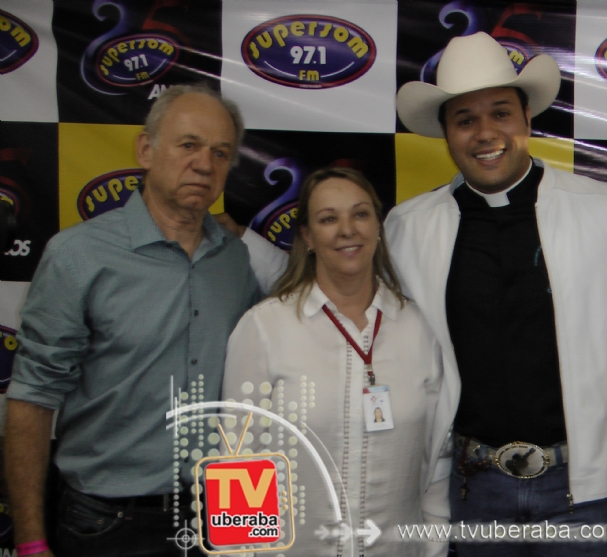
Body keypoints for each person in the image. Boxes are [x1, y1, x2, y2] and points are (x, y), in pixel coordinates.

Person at [385, 32, 607, 556]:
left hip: (583, 488)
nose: (485, 133)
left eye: (500, 113)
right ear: (447, 134)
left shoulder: (604, 209)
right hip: (473, 489)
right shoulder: (408, 228)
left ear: (526, 118)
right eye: (465, 120)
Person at [5, 84, 260, 557]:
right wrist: (31, 542)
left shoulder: (235, 261)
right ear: (146, 150)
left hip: (222, 515)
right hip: (109, 524)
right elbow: (32, 400)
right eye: (188, 144)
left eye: (220, 152)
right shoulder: (78, 255)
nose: (204, 164)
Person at [222, 167, 447, 557]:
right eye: (328, 219)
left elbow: (436, 460)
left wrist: (434, 546)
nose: (347, 230)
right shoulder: (265, 327)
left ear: (378, 226)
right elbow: (238, 465)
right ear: (308, 237)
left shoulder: (417, 328)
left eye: (360, 214)